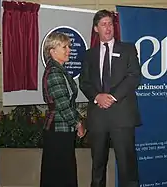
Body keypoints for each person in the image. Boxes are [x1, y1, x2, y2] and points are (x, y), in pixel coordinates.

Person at [79, 9, 141, 187]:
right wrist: (97, 96)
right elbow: (84, 82)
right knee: (97, 167)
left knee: (127, 167)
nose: (108, 28)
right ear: (96, 28)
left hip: (122, 116)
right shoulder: (89, 54)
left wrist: (112, 97)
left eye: (110, 24)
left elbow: (134, 77)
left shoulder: (128, 49)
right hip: (98, 117)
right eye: (103, 24)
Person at [40, 32, 86, 187]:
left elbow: (67, 103)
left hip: (61, 129)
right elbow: (63, 105)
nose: (69, 50)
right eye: (64, 47)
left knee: (60, 173)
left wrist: (77, 121)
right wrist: (78, 123)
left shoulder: (59, 70)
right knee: (60, 175)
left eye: (69, 47)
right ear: (52, 51)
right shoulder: (54, 72)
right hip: (57, 131)